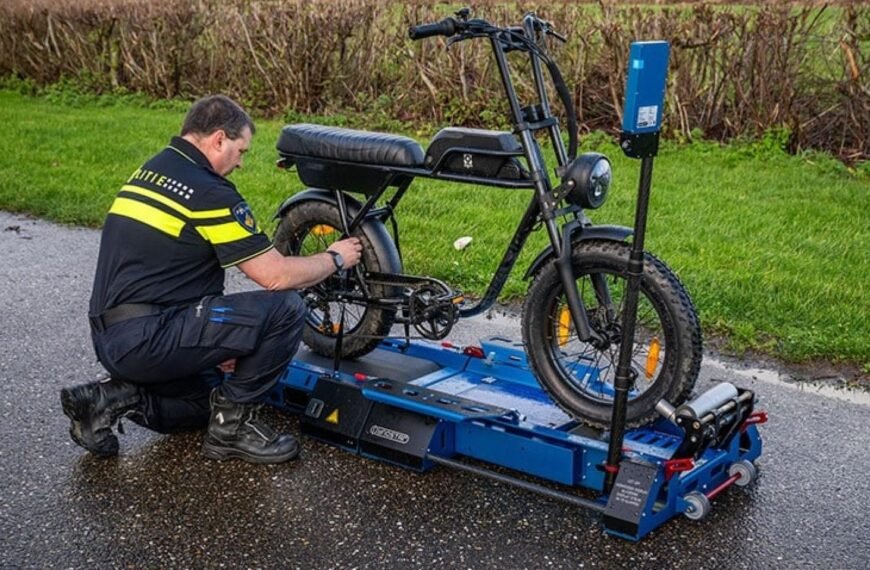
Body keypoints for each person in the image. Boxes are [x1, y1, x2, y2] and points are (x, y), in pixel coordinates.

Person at [60, 95, 362, 464]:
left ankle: (108, 399)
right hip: (150, 336)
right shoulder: (208, 192)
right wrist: (335, 257)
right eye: (240, 150)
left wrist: (215, 345)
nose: (240, 162)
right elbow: (276, 275)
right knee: (285, 307)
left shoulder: (153, 170)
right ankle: (232, 431)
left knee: (206, 400)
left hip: (113, 338)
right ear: (219, 138)